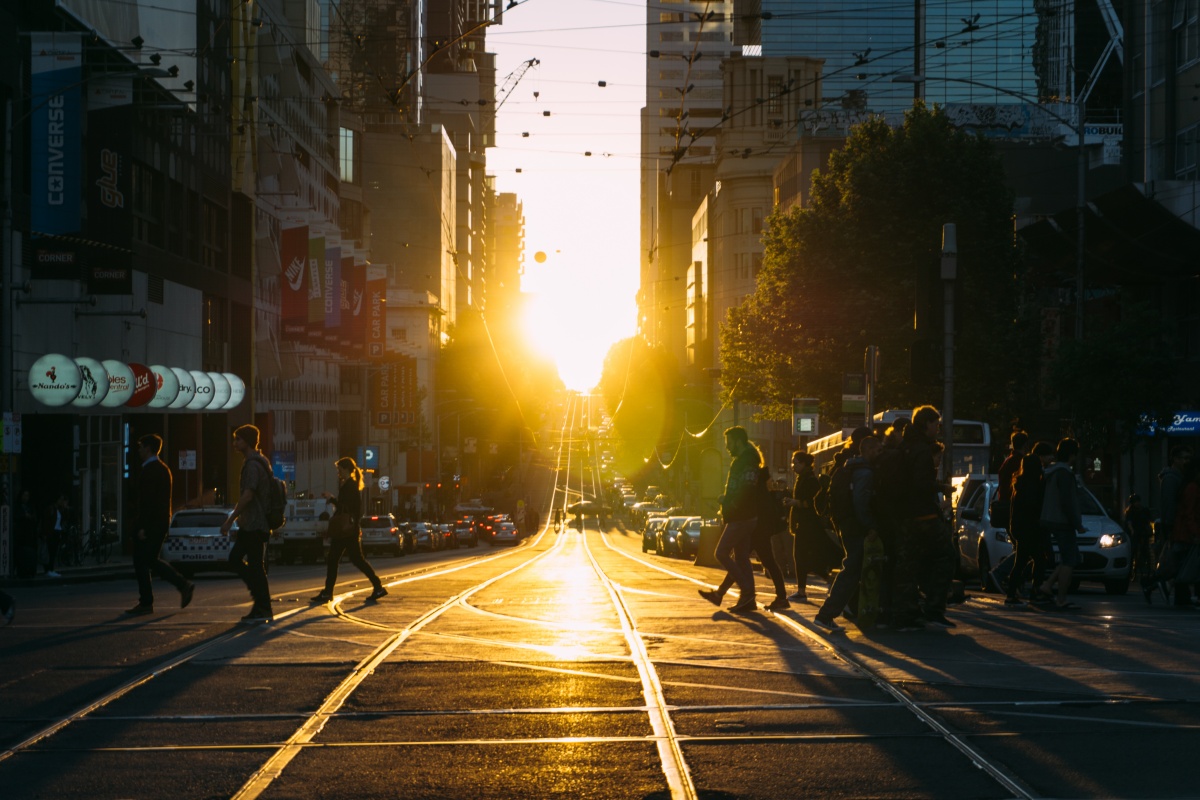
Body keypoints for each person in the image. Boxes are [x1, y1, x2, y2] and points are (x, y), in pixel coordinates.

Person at [892, 405, 957, 630]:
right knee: (946, 557)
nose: (938, 429)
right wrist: (942, 487)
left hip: (905, 516)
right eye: (936, 424)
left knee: (908, 565)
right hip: (924, 516)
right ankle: (934, 610)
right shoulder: (921, 451)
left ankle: (907, 614)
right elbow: (920, 484)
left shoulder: (905, 447)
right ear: (927, 424)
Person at [814, 434, 884, 632]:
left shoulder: (850, 467)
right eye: (877, 450)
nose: (880, 454)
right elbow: (861, 503)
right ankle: (826, 614)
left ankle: (832, 612)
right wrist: (870, 526)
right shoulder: (865, 473)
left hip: (847, 524)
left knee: (853, 568)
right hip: (855, 527)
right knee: (852, 569)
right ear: (868, 450)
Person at [125, 434, 195, 615]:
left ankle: (177, 586)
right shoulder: (163, 469)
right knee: (146, 560)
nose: (139, 450)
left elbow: (148, 502)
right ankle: (150, 599)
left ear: (148, 448)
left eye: (141, 446)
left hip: (151, 524)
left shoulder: (151, 471)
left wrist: (142, 527)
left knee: (144, 560)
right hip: (160, 522)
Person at [698, 426, 764, 614]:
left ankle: (747, 592)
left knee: (721, 553)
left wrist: (730, 503)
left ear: (738, 441)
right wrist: (726, 500)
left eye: (729, 443)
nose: (727, 447)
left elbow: (747, 488)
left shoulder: (746, 461)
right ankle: (744, 600)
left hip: (741, 516)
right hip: (742, 515)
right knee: (742, 558)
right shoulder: (744, 460)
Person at [708, 466, 791, 611]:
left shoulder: (757, 492)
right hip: (760, 533)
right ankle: (781, 598)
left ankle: (722, 593)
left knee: (740, 561)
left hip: (756, 533)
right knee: (765, 562)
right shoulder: (763, 492)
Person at [311, 457, 387, 603]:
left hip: (345, 531)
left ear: (346, 469)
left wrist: (332, 498)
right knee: (354, 560)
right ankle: (377, 586)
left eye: (340, 469)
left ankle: (328, 593)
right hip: (349, 530)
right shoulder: (350, 485)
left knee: (337, 559)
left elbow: (344, 508)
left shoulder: (349, 486)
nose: (338, 472)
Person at [221, 424, 275, 623]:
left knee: (243, 562)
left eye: (238, 439)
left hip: (253, 523)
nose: (235, 443)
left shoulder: (252, 464)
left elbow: (248, 495)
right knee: (253, 566)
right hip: (255, 524)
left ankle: (262, 604)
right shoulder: (261, 461)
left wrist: (230, 519)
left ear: (247, 442)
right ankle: (262, 605)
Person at [1036, 438, 1086, 611]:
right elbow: (1067, 502)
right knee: (1070, 560)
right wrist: (1076, 523)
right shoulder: (1064, 473)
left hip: (1051, 519)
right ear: (1072, 454)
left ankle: (1047, 585)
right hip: (1062, 521)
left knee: (1068, 557)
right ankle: (1061, 599)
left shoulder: (1052, 471)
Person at [1005, 441, 1055, 604]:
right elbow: (1034, 506)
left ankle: (1014, 591)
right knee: (1038, 560)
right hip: (1031, 529)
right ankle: (1032, 590)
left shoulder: (1019, 483)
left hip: (1021, 528)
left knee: (1023, 560)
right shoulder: (1034, 485)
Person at [785, 451, 825, 602]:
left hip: (808, 524)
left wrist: (795, 503)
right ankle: (801, 590)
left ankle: (802, 591)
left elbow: (812, 502)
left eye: (796, 463)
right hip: (803, 524)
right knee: (802, 556)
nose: (793, 466)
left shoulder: (810, 480)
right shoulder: (803, 478)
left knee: (803, 557)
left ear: (804, 464)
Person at [1166, 460, 1200, 608]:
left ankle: (1182, 597)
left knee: (1184, 566)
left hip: (1183, 533)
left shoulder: (1187, 487)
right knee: (1189, 566)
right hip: (1187, 533)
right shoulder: (1192, 488)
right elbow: (1190, 513)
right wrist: (1195, 533)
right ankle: (1184, 597)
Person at [1124, 493, 1155, 601]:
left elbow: (1148, 521)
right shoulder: (1131, 512)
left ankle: (1145, 571)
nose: (1137, 503)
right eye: (1135, 501)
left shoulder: (1143, 510)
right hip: (1136, 534)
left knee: (1145, 552)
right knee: (1133, 553)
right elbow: (1129, 523)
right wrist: (1132, 531)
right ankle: (1132, 572)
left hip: (1143, 534)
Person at [41, 493, 70, 577]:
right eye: (60, 499)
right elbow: (46, 521)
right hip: (51, 533)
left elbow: (65, 519)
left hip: (57, 532)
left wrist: (65, 508)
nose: (62, 501)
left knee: (53, 552)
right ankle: (48, 569)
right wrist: (45, 533)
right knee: (50, 551)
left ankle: (51, 569)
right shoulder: (51, 509)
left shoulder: (60, 509)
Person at [14, 488, 40, 579]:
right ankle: (21, 570)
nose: (26, 498)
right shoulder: (17, 506)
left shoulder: (31, 507)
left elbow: (35, 518)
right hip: (20, 535)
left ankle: (28, 570)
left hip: (29, 534)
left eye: (27, 496)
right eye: (24, 495)